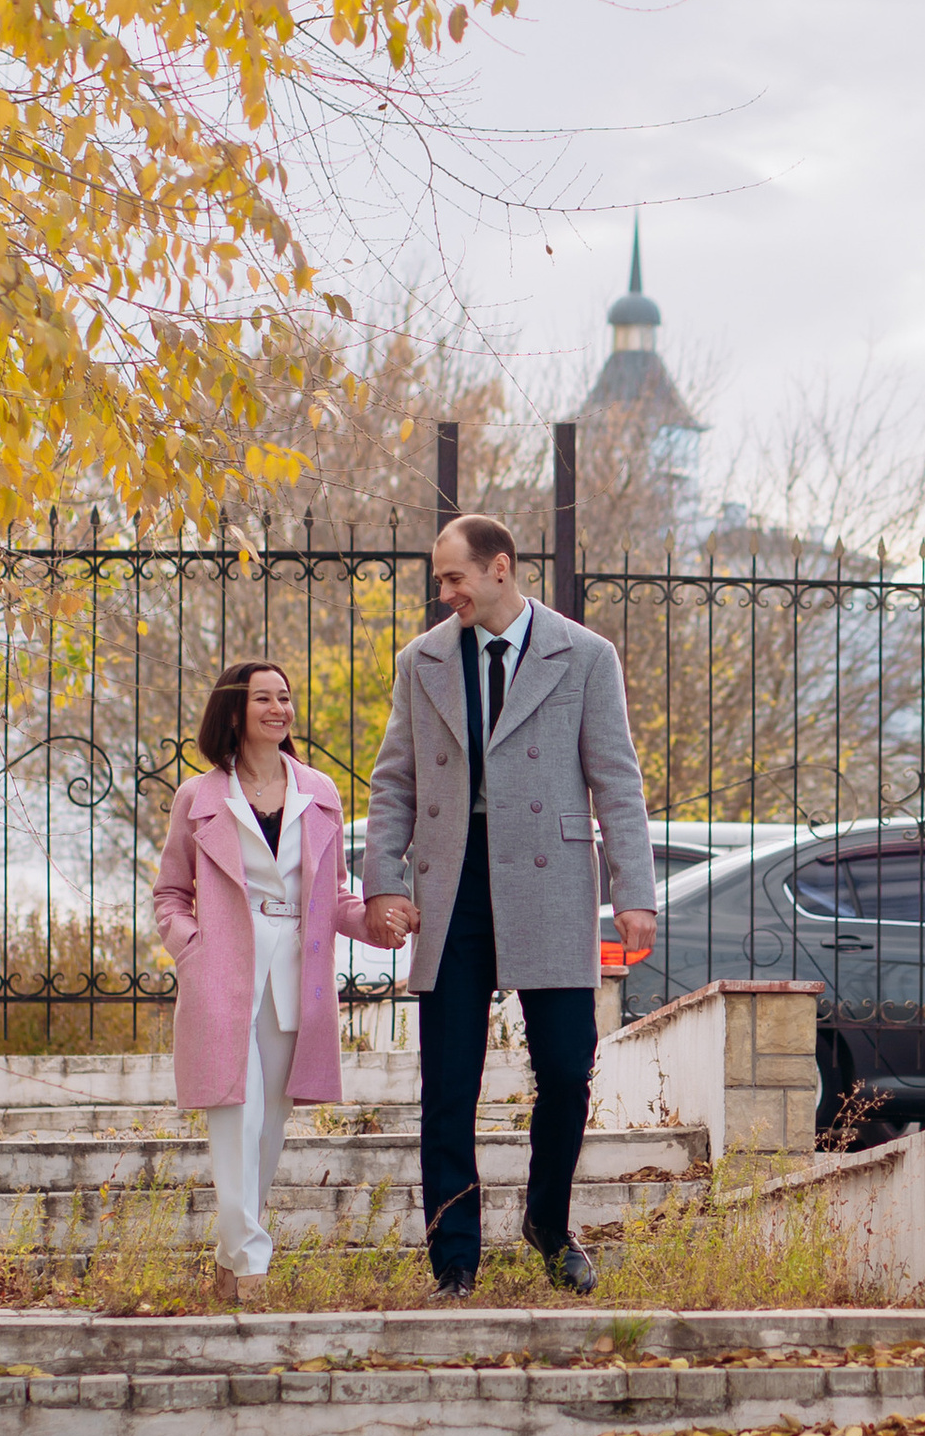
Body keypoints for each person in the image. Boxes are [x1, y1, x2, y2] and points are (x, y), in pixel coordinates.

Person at [361, 515, 656, 1295]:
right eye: (438, 581)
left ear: (501, 569)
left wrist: (634, 894)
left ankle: (549, 1222)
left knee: (567, 1067)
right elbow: (395, 781)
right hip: (452, 885)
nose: (444, 593)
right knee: (449, 1082)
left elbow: (617, 782)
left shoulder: (585, 655)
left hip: (551, 880)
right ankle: (454, 1259)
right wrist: (385, 883)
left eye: (454, 578)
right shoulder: (421, 661)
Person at [154, 660, 372, 1298]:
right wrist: (190, 947)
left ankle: (230, 1255)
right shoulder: (198, 797)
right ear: (235, 711)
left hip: (295, 973)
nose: (279, 708)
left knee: (271, 1125)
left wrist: (380, 920)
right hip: (222, 968)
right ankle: (251, 1265)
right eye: (264, 699)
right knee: (235, 1115)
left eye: (285, 698)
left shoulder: (321, 792)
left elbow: (334, 897)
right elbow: (170, 892)